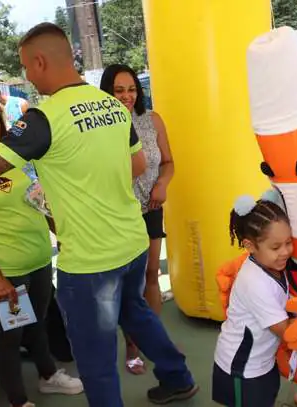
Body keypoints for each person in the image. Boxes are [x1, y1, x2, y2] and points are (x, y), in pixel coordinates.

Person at [0, 23, 198, 407]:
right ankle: (178, 377)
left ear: (40, 61)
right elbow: (138, 165)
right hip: (131, 242)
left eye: (26, 67)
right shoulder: (111, 105)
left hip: (91, 262)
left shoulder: (44, 118)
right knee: (136, 312)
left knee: (95, 359)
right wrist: (87, 181)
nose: (26, 76)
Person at [0, 89, 83, 407]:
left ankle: (48, 376)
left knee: (38, 325)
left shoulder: (17, 154)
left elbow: (39, 199)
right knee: (11, 337)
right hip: (8, 272)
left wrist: (58, 232)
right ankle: (18, 400)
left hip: (38, 260)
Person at [100, 64, 175, 375]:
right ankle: (131, 346)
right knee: (124, 285)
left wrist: (162, 184)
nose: (127, 96)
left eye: (131, 89)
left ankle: (153, 342)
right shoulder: (101, 126)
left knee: (151, 274)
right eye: (119, 90)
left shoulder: (152, 119)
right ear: (107, 92)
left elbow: (169, 163)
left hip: (151, 208)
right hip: (118, 214)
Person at [213, 195, 293, 407]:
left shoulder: (275, 265)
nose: (285, 252)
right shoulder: (254, 282)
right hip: (242, 370)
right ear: (250, 246)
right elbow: (286, 330)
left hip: (263, 362)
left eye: (289, 242)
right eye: (276, 247)